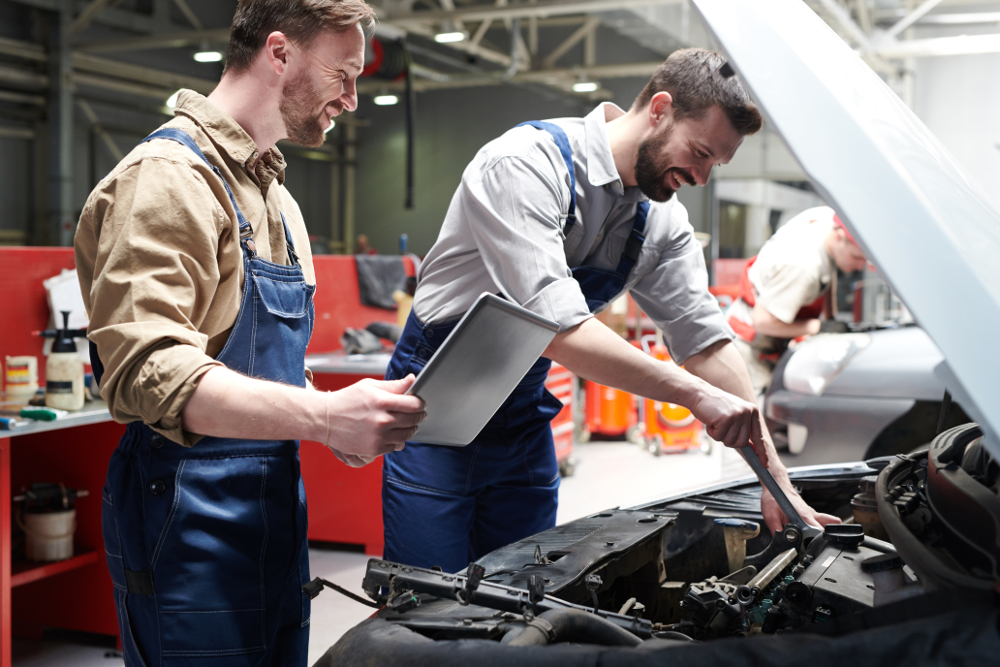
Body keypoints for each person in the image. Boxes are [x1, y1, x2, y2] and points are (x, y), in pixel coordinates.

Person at [381, 48, 840, 575]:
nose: (703, 176)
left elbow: (707, 344)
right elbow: (558, 329)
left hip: (521, 420)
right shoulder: (526, 165)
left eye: (716, 163)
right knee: (426, 602)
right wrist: (693, 394)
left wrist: (775, 480)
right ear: (660, 108)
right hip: (433, 413)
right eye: (700, 152)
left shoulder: (662, 224)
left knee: (523, 600)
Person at [74, 0, 425, 664]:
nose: (351, 99)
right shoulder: (168, 179)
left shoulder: (278, 199)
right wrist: (322, 415)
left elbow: (271, 368)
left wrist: (346, 422)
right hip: (184, 518)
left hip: (273, 516)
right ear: (279, 52)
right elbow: (153, 373)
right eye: (344, 74)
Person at [726, 206, 868, 396]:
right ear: (838, 236)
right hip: (750, 346)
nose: (860, 266)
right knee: (754, 418)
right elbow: (762, 322)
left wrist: (831, 319)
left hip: (771, 338)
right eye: (857, 257)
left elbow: (829, 273)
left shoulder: (826, 217)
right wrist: (818, 327)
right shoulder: (803, 265)